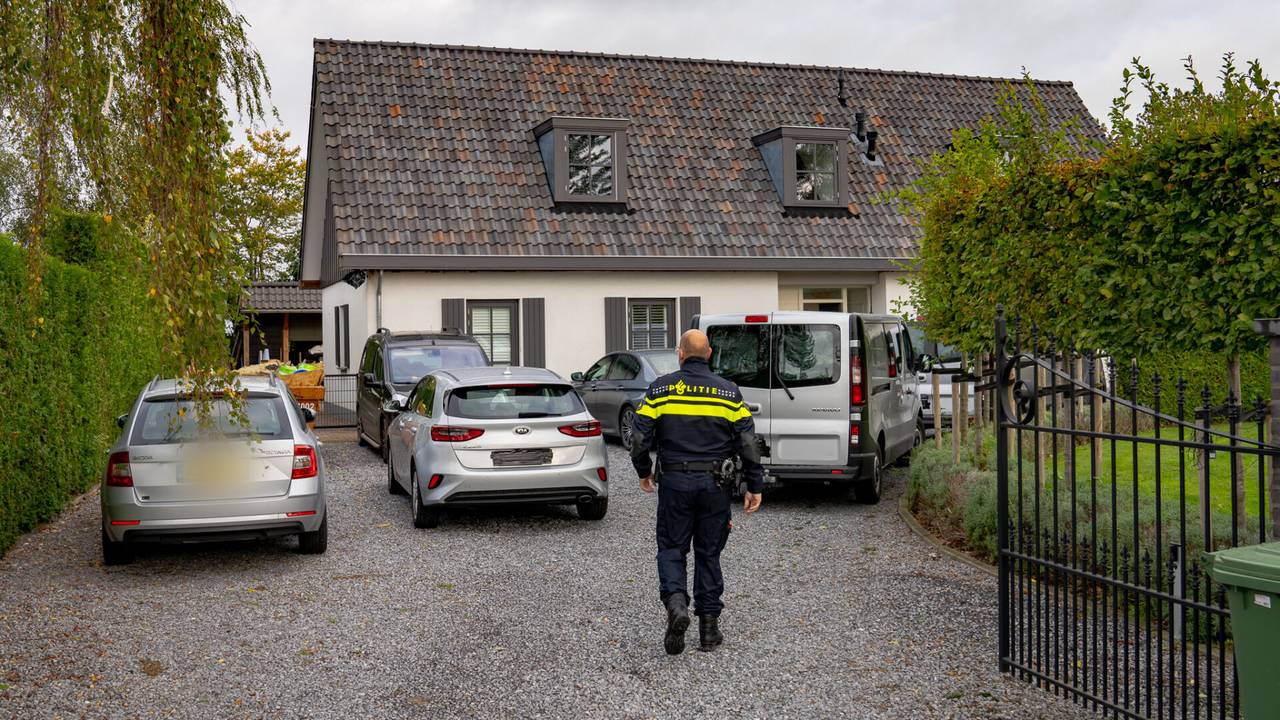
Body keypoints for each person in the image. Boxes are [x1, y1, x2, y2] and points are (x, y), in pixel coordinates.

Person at [630, 329, 764, 655]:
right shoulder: (729, 393)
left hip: (674, 482)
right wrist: (755, 484)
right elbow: (748, 442)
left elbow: (638, 437)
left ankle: (676, 604)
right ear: (710, 353)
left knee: (672, 548)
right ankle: (708, 630)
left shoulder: (660, 389)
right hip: (715, 485)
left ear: (680, 353)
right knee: (708, 552)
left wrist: (644, 471)